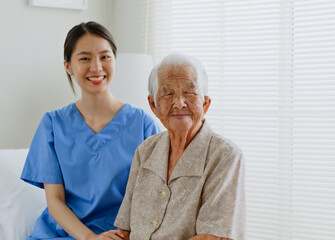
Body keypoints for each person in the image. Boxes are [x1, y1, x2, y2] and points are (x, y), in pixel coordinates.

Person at [20, 21, 160, 240]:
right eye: (85, 58)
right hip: (64, 234)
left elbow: (154, 196)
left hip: (122, 234)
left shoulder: (142, 124)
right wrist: (90, 238)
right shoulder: (52, 125)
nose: (96, 67)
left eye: (105, 57)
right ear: (68, 65)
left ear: (115, 60)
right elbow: (55, 201)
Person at [113, 53, 246, 240]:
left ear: (205, 103)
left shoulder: (224, 155)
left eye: (189, 92)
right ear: (153, 105)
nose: (179, 103)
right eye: (168, 94)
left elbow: (211, 236)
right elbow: (124, 230)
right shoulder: (145, 151)